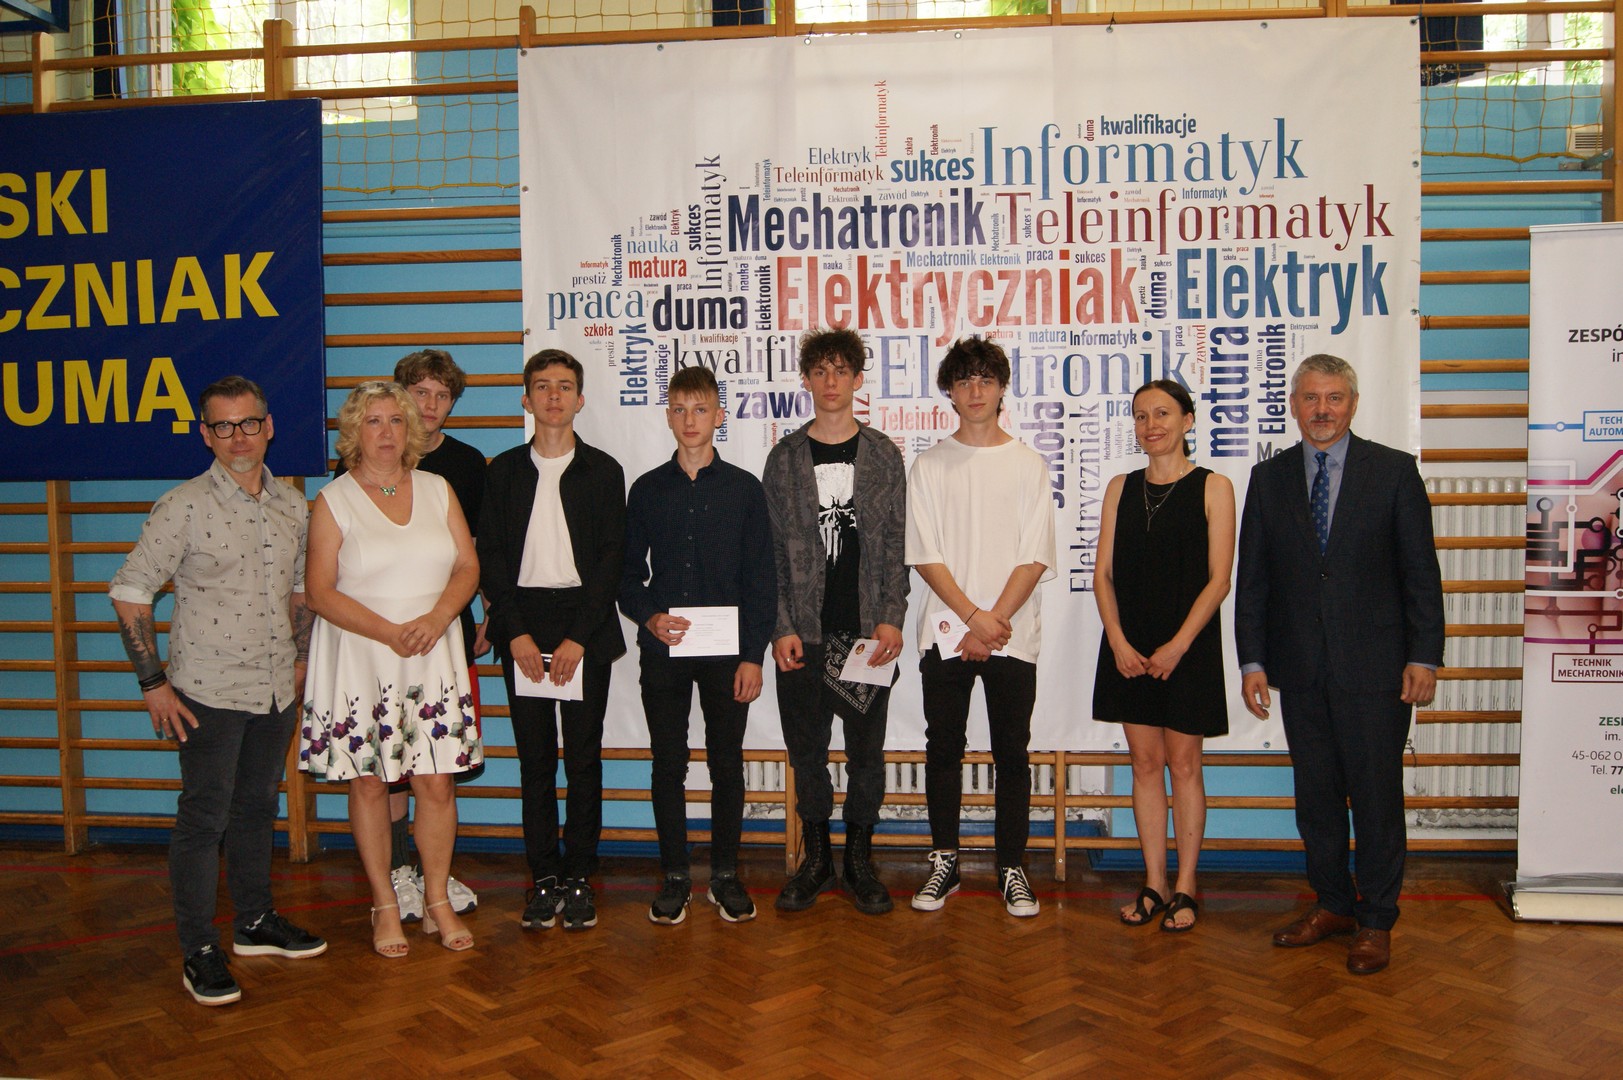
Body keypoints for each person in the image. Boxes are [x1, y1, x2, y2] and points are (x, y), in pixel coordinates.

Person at [111, 375, 326, 1007]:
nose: (239, 437)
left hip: (273, 688)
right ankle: (199, 948)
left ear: (269, 427)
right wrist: (153, 683)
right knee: (204, 818)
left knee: (257, 807)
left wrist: (301, 659)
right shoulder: (182, 506)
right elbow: (130, 592)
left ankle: (255, 921)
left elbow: (300, 590)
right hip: (206, 689)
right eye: (223, 426)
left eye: (249, 423)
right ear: (206, 434)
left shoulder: (294, 507)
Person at [1235, 353, 1444, 975]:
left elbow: (1421, 573)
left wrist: (1424, 655)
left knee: (1376, 798)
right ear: (1293, 405)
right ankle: (1331, 904)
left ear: (1352, 404)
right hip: (1300, 669)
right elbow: (1254, 582)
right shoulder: (1268, 479)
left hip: (1377, 669)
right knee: (1317, 799)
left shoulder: (1394, 472)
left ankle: (1376, 920)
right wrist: (1252, 661)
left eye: (1333, 398)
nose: (1321, 410)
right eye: (1310, 398)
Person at [301, 381, 483, 957]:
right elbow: (319, 592)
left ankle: (436, 901)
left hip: (432, 651)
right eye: (373, 421)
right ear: (355, 431)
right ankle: (384, 903)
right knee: (370, 781)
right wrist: (388, 632)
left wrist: (438, 618)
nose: (386, 432)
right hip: (363, 656)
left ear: (411, 430)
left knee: (436, 781)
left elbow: (467, 565)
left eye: (396, 420)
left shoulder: (437, 489)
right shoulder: (333, 500)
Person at [905, 337, 1057, 918]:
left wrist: (994, 624)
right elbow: (926, 555)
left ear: (1001, 389)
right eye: (964, 380)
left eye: (985, 380)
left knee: (1011, 753)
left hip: (1012, 635)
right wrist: (974, 619)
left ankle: (1011, 866)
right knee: (943, 748)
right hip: (947, 632)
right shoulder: (929, 465)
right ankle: (945, 861)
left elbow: (1034, 556)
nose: (975, 391)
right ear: (949, 390)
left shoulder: (1028, 464)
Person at [620, 365, 776, 925]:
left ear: (719, 416)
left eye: (701, 409)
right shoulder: (646, 490)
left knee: (726, 762)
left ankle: (726, 875)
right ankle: (675, 876)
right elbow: (626, 575)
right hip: (665, 649)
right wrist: (649, 616)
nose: (690, 420)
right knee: (669, 763)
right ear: (668, 416)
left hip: (727, 654)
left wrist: (753, 656)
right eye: (680, 409)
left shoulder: (745, 489)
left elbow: (761, 581)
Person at [479, 349, 626, 933]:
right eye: (542, 386)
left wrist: (578, 638)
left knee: (583, 759)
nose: (554, 396)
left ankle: (580, 875)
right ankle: (543, 876)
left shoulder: (604, 471)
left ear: (580, 399)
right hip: (523, 618)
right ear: (526, 399)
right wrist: (513, 630)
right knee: (535, 762)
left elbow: (611, 561)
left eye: (565, 386)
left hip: (584, 623)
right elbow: (490, 555)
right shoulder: (503, 472)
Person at [763, 328, 908, 916]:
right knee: (807, 753)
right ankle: (818, 859)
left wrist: (892, 617)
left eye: (840, 371)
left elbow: (897, 545)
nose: (830, 382)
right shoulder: (784, 458)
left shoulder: (883, 455)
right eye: (819, 371)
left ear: (857, 379)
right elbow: (771, 553)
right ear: (806, 380)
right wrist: (780, 626)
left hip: (865, 636)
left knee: (866, 755)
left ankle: (860, 862)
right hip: (803, 634)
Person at [340, 351, 488, 924]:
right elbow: (329, 576)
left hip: (442, 635)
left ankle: (432, 879)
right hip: (372, 645)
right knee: (385, 765)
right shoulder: (346, 479)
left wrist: (483, 614)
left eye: (440, 396)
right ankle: (398, 873)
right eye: (418, 394)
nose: (429, 406)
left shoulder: (463, 467)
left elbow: (476, 552)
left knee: (435, 762)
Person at [1092, 380, 1235, 933]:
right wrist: (1117, 640)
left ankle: (1187, 885)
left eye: (1163, 414)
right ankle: (1154, 882)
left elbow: (1219, 581)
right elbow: (1103, 575)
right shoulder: (1120, 488)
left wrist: (1178, 646)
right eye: (1141, 416)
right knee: (1145, 765)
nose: (1151, 425)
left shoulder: (1214, 486)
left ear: (1187, 420)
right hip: (1129, 648)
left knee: (1185, 765)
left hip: (1188, 648)